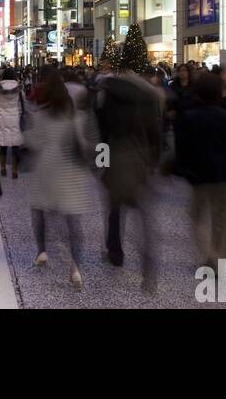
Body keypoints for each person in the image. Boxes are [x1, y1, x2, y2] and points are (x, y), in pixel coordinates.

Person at [28, 67, 97, 289]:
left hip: (47, 168)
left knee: (39, 211)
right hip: (72, 170)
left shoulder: (40, 115)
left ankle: (41, 251)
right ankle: (76, 269)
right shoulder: (78, 116)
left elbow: (34, 142)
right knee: (73, 222)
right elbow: (87, 145)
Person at [96, 64, 161, 291]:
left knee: (114, 210)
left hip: (115, 154)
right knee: (144, 216)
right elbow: (156, 132)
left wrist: (101, 163)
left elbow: (102, 132)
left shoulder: (109, 95)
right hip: (140, 156)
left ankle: (115, 252)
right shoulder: (149, 98)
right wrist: (153, 161)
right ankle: (148, 263)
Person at [174, 72, 226, 269]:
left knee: (198, 217)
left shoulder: (189, 118)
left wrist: (183, 170)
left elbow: (182, 148)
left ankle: (211, 255)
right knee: (222, 222)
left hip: (201, 175)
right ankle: (218, 259)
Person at [0, 69, 24, 179]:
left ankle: (3, 168)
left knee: (3, 145)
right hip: (14, 117)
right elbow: (23, 100)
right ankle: (14, 170)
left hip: (2, 117)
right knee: (15, 145)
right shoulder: (19, 88)